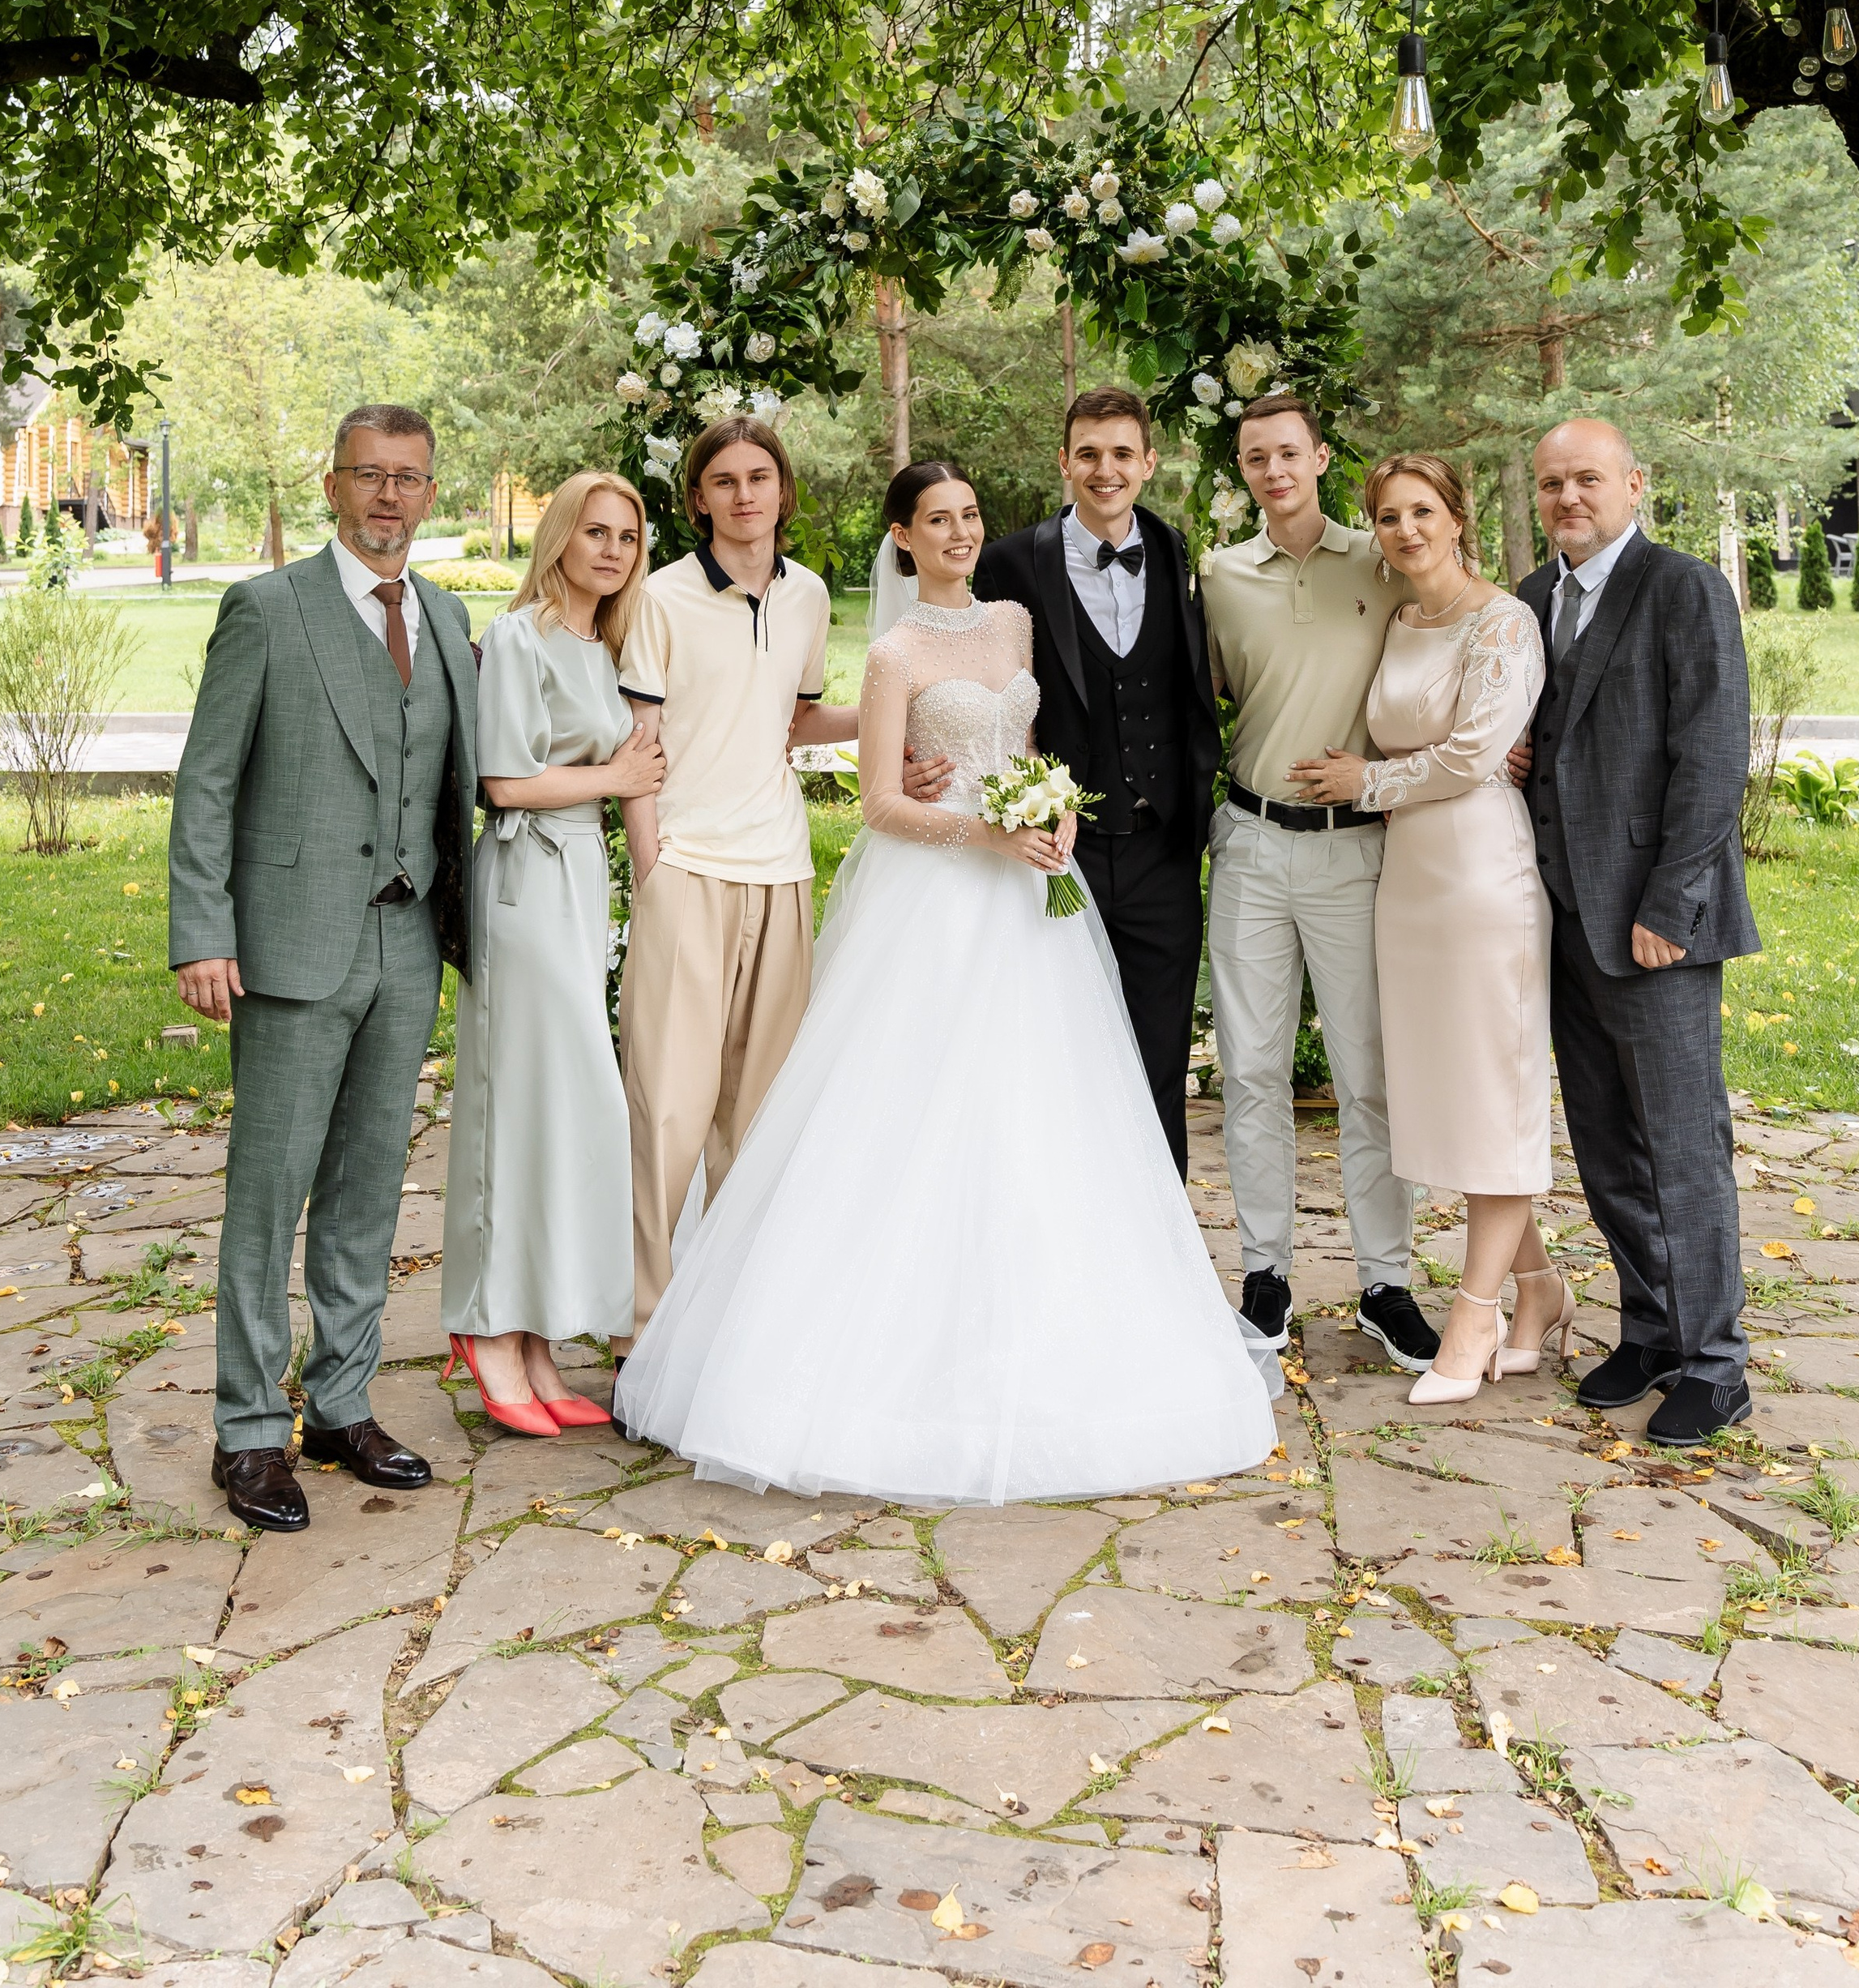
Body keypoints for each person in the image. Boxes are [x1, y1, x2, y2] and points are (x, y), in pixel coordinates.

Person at [614, 460, 1272, 1496]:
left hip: (1030, 910)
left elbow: (1043, 741)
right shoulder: (892, 654)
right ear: (903, 537)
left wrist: (1054, 811)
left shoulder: (1014, 625)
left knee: (1046, 1114)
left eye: (970, 516)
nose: (960, 532)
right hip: (935, 901)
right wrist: (987, 831)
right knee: (911, 1113)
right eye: (938, 520)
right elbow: (879, 804)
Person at [168, 404, 482, 1532]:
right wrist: (204, 931)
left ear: (431, 494)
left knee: (364, 1195)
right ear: (334, 487)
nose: (390, 495)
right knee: (269, 1197)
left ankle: (342, 1403)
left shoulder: (448, 622)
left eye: (410, 478)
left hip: (407, 946)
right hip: (291, 947)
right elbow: (207, 782)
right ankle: (249, 1431)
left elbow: (464, 784)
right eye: (370, 476)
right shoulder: (266, 609)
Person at [614, 415, 946, 1333]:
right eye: (724, 481)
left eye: (760, 477)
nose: (745, 494)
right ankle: (644, 1324)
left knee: (754, 1117)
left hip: (781, 869)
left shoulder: (803, 596)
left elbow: (795, 720)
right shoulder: (660, 598)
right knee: (671, 1112)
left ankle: (722, 1321)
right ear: (698, 499)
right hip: (687, 867)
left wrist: (900, 722)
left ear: (783, 491)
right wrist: (652, 869)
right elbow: (637, 745)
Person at [1518, 418, 1757, 1447]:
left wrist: (1670, 905)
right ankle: (1651, 1331)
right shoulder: (1533, 600)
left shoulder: (1682, 587)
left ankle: (1716, 1362)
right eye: (1550, 485)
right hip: (1560, 917)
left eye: (1586, 480)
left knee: (1682, 1144)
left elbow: (1711, 755)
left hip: (1654, 922)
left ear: (1632, 484)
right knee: (1605, 1142)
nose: (1568, 498)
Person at [1310, 455, 1555, 1409]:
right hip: (1406, 882)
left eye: (1422, 511)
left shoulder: (1504, 621)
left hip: (1481, 879)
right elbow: (1430, 741)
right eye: (1387, 516)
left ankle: (1475, 1311)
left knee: (1492, 1091)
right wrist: (1390, 774)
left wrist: (1366, 782)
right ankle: (1539, 1290)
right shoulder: (1402, 622)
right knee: (1447, 1100)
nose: (1405, 529)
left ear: (1457, 518)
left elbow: (1475, 749)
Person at [1201, 394, 1436, 1372]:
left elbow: (1453, 648)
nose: (1273, 470)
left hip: (1355, 851)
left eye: (1288, 453)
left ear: (1319, 457)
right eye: (1255, 457)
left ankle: (1386, 1282)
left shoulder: (1380, 566)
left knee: (1367, 1071)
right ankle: (1265, 1276)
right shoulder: (1218, 576)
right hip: (1252, 846)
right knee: (1248, 1070)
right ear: (1244, 471)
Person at [439, 471, 665, 1434]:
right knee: (517, 1103)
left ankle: (534, 1339)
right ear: (562, 538)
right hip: (526, 882)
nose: (610, 550)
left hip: (580, 882)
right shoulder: (522, 638)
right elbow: (499, 781)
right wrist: (613, 775)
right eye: (595, 532)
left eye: (627, 536)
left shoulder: (600, 645)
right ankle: (487, 1327)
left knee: (569, 1110)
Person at [973, 387, 1220, 1174]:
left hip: (1163, 854)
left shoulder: (1176, 550)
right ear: (1064, 462)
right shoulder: (1010, 561)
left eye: (1120, 454)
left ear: (1148, 463)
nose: (1104, 470)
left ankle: (1162, 1254)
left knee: (1158, 1057)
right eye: (1088, 454)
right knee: (1053, 1053)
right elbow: (974, 685)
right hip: (1057, 856)